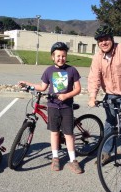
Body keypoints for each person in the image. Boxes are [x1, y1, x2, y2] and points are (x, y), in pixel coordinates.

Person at [18, 42, 83, 174]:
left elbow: (78, 89)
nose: (61, 58)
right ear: (52, 57)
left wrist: (66, 95)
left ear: (66, 56)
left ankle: (73, 160)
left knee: (69, 135)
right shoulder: (49, 71)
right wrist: (28, 84)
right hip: (53, 106)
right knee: (54, 133)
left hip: (66, 107)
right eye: (58, 56)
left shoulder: (72, 70)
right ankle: (55, 158)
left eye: (63, 56)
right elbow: (42, 87)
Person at [87, 25, 121, 161]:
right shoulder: (98, 57)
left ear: (112, 39)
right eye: (100, 40)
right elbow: (94, 77)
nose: (103, 42)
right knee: (110, 123)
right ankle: (106, 152)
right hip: (111, 94)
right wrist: (92, 96)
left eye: (106, 39)